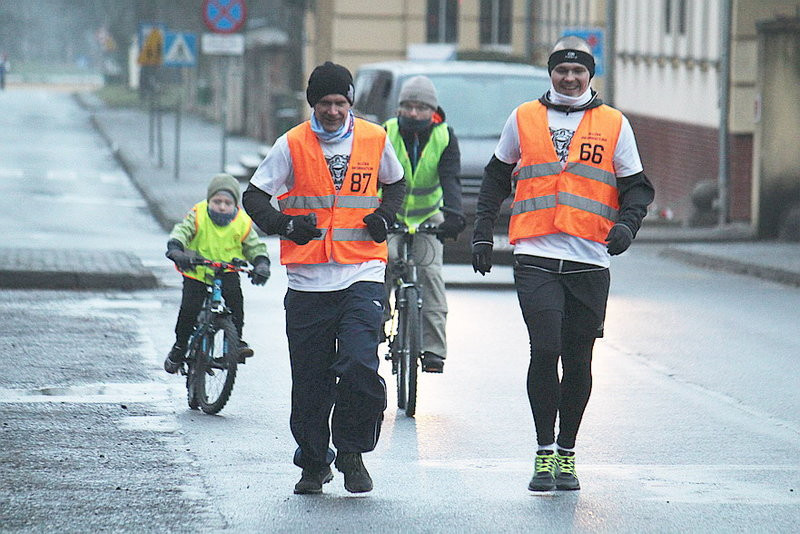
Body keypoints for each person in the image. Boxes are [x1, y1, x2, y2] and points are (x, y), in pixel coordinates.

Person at [471, 36, 654, 492]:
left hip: (590, 259)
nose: (569, 79)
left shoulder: (614, 123)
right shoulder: (524, 117)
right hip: (535, 254)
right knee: (545, 349)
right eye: (561, 71)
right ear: (550, 74)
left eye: (578, 72)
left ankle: (567, 452)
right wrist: (480, 231)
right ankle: (542, 452)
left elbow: (637, 187)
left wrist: (627, 227)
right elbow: (496, 176)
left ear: (590, 76)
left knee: (577, 360)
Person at [242, 61, 406, 495]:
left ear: (350, 102)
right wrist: (285, 225)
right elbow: (253, 196)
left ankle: (351, 452)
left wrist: (385, 216)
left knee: (358, 365)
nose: (333, 111)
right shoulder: (291, 144)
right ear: (312, 103)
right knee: (311, 381)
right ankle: (314, 463)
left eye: (340, 102)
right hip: (309, 281)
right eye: (324, 103)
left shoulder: (374, 138)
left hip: (362, 273)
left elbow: (397, 183)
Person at [383, 75, 463, 373]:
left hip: (429, 214)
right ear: (399, 108)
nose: (413, 113)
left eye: (420, 107)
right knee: (384, 262)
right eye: (407, 106)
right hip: (390, 213)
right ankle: (378, 322)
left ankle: (433, 350)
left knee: (430, 274)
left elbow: (450, 178)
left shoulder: (445, 136)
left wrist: (454, 214)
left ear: (432, 110)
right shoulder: (386, 133)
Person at [163, 173, 270, 374]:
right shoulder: (198, 214)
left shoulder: (242, 222)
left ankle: (235, 342)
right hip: (197, 271)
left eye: (227, 202)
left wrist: (261, 263)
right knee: (189, 309)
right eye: (217, 201)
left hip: (227, 271)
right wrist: (176, 250)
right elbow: (181, 232)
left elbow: (254, 246)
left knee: (236, 303)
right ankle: (180, 346)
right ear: (209, 200)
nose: (222, 206)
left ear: (235, 204)